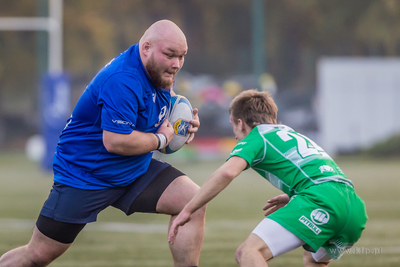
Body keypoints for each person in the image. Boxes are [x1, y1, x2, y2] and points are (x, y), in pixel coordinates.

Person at [0, 20, 206, 267]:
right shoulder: (122, 79)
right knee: (37, 255)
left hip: (132, 170)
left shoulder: (158, 71)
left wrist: (183, 124)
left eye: (181, 56)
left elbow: (165, 106)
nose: (176, 64)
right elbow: (116, 141)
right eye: (170, 55)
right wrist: (162, 138)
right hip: (86, 175)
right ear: (146, 47)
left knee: (192, 201)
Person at [169, 89, 368, 266]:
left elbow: (227, 172)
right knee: (313, 259)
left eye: (233, 126)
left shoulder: (258, 136)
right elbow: (319, 173)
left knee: (248, 252)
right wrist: (295, 195)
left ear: (240, 123)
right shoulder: (289, 132)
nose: (236, 134)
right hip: (354, 209)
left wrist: (188, 208)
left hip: (321, 200)